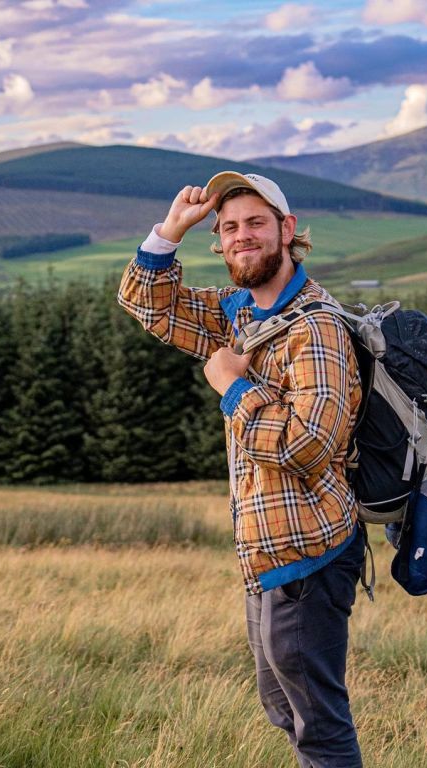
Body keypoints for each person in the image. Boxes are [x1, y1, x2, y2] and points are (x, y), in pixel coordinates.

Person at [117, 171, 365, 767]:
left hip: (309, 550)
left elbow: (310, 445)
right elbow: (149, 306)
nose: (240, 237)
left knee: (319, 725)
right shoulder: (240, 314)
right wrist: (172, 230)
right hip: (263, 550)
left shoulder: (317, 327)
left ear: (288, 230)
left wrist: (232, 386)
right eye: (229, 228)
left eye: (255, 223)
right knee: (284, 706)